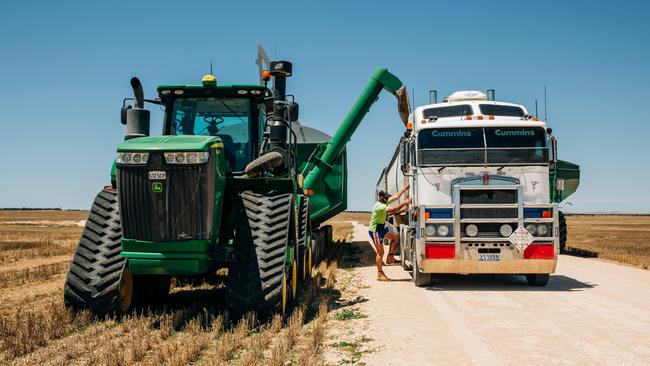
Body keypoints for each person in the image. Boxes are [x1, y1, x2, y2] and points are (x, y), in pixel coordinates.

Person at [368, 184, 410, 281]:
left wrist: (405, 187)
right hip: (375, 231)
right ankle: (380, 274)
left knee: (395, 237)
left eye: (388, 197)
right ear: (381, 197)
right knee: (380, 252)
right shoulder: (379, 206)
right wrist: (404, 203)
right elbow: (394, 210)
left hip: (382, 228)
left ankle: (390, 257)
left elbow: (396, 196)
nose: (388, 199)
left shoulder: (385, 202)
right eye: (386, 197)